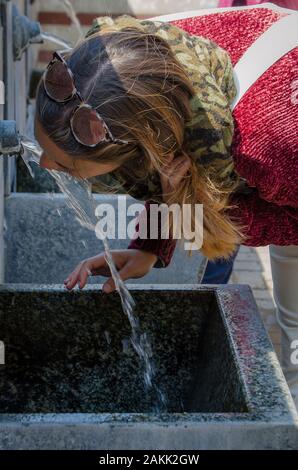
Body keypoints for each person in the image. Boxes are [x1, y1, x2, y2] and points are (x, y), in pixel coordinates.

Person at [34, 8, 298, 406]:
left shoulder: (267, 145)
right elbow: (168, 159)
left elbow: (268, 220)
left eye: (65, 163)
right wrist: (150, 245)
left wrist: (184, 204)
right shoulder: (115, 67)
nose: (44, 165)